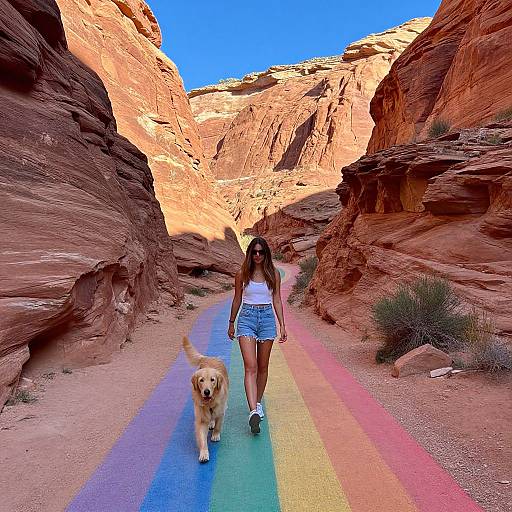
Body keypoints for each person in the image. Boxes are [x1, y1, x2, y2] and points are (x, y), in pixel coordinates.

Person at [228, 236, 287, 434]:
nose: (258, 255)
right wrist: (231, 323)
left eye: (261, 252)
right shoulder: (242, 274)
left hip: (267, 320)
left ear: (266, 253)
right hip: (246, 318)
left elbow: (277, 300)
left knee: (263, 367)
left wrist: (282, 325)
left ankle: (257, 402)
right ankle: (253, 410)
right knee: (250, 366)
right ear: (250, 254)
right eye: (254, 252)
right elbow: (237, 299)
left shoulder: (273, 274)